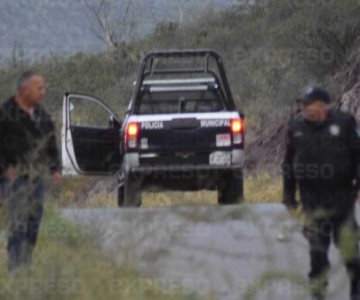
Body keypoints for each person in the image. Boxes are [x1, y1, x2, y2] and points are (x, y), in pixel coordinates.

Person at [282, 87, 360, 300]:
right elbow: (288, 164)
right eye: (304, 105)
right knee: (317, 250)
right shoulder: (296, 128)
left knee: (348, 246)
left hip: (341, 196)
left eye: (310, 105)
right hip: (312, 199)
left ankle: (356, 286)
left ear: (323, 105)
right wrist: (289, 197)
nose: (306, 109)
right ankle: (318, 292)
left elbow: (357, 155)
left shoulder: (344, 123)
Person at [0, 71, 61, 271]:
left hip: (35, 177)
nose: (43, 92)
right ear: (24, 90)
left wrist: (55, 168)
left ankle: (25, 263)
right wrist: (5, 167)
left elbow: (50, 141)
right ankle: (16, 268)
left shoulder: (41, 115)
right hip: (13, 180)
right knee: (19, 221)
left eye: (44, 87)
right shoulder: (6, 113)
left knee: (33, 221)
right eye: (39, 88)